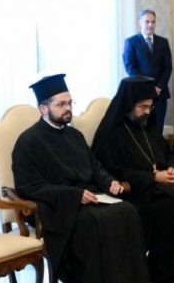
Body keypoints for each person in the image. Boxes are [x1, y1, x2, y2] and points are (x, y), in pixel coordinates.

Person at [12, 74, 149, 283]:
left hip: (91, 197)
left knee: (128, 211)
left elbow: (95, 167)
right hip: (58, 207)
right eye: (61, 104)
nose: (68, 108)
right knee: (96, 222)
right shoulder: (28, 141)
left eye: (70, 103)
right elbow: (29, 187)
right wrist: (73, 195)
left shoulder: (74, 135)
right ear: (43, 108)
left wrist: (109, 181)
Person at [92, 76, 174, 283]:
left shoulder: (148, 126)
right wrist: (152, 176)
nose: (148, 111)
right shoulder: (111, 133)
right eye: (143, 107)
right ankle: (172, 271)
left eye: (150, 107)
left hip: (165, 183)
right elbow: (112, 171)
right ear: (129, 104)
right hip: (138, 189)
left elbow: (167, 154)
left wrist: (173, 169)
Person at [123, 9, 173, 134]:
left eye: (153, 22)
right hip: (141, 94)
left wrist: (158, 87)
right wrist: (147, 87)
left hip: (160, 94)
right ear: (140, 22)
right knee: (142, 131)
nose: (150, 25)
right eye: (147, 22)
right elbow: (130, 67)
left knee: (158, 130)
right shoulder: (131, 42)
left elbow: (168, 68)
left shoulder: (163, 42)